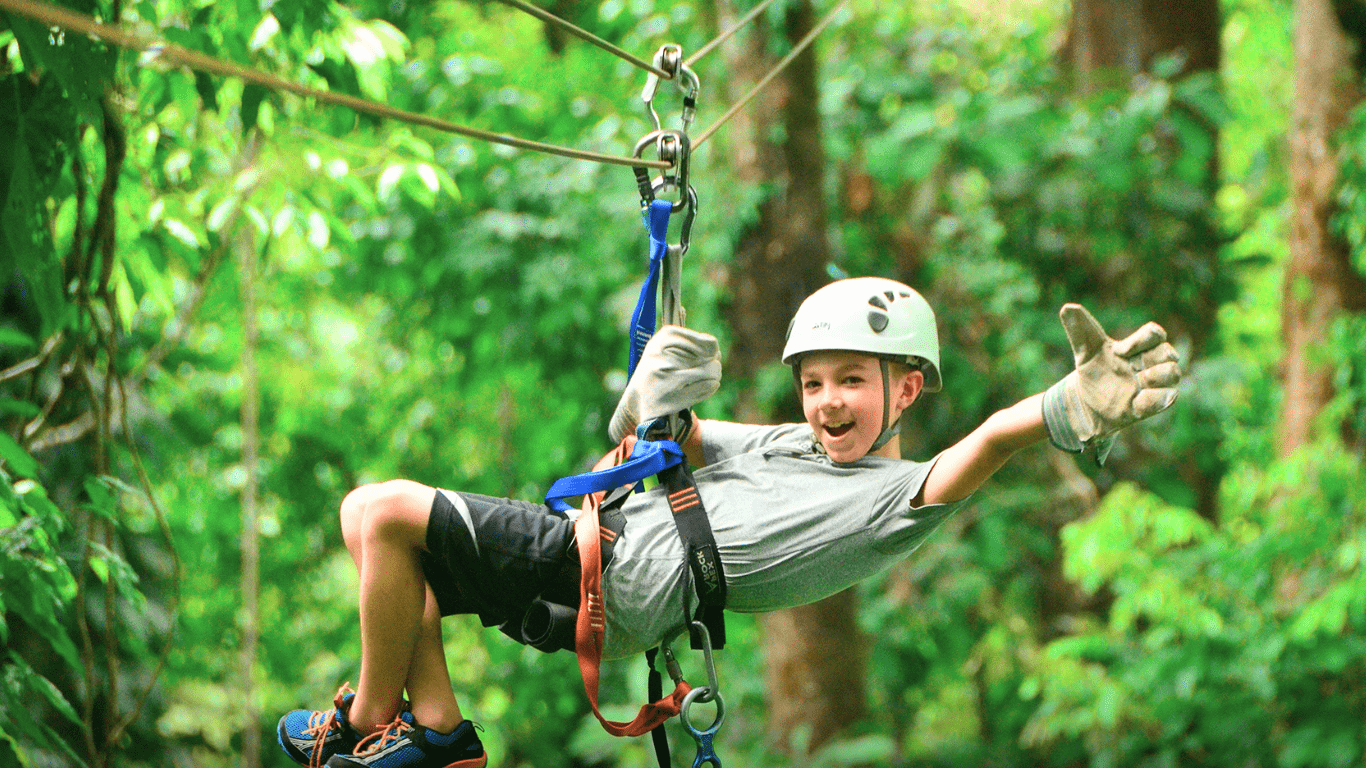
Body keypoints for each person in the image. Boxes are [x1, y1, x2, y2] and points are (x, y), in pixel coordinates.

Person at [276, 276, 1182, 768]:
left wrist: (1067, 405)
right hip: (604, 553)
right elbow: (678, 435)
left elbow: (984, 444)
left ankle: (368, 719)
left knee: (379, 509)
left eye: (853, 382)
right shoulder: (791, 446)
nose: (827, 402)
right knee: (389, 562)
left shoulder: (891, 502)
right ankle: (438, 732)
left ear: (905, 390)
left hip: (616, 575)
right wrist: (655, 389)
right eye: (814, 380)